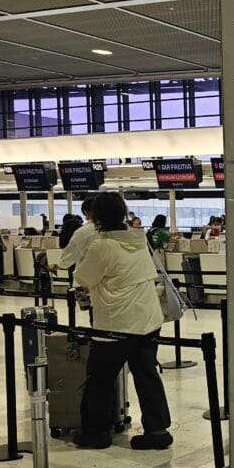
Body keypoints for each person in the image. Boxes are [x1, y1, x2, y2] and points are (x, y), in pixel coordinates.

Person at [73, 192, 172, 450]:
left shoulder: (102, 246)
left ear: (96, 217)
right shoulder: (138, 238)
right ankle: (158, 431)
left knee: (100, 378)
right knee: (146, 374)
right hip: (148, 318)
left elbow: (83, 278)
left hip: (116, 324)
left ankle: (96, 432)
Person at [53, 196, 98, 273]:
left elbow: (71, 254)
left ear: (86, 212)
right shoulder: (113, 228)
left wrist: (59, 265)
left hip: (89, 273)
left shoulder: (85, 231)